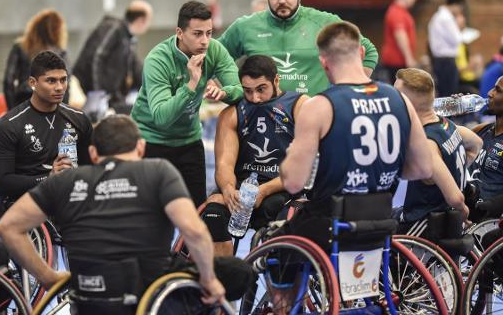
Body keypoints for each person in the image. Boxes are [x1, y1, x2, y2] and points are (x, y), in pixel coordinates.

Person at [0, 115, 253, 313]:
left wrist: (48, 278)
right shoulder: (158, 171)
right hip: (152, 294)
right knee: (237, 272)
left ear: (94, 154)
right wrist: (208, 279)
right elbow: (195, 232)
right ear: (141, 148)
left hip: (88, 297)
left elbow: (8, 227)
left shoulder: (64, 181)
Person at [279, 21, 433, 248]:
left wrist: (289, 160)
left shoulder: (318, 106)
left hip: (331, 224)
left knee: (276, 251)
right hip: (380, 220)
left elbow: (293, 183)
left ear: (323, 62)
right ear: (361, 53)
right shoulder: (400, 99)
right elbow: (423, 169)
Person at [131, 1, 243, 206]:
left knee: (197, 212)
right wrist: (191, 84)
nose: (205, 41)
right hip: (151, 139)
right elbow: (162, 118)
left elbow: (240, 88)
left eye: (209, 33)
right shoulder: (158, 59)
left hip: (189, 140)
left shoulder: (214, 50)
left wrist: (224, 92)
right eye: (197, 34)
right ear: (180, 33)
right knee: (151, 216)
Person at [204, 55, 308, 256]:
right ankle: (228, 276)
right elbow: (224, 164)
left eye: (261, 89)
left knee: (281, 213)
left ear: (276, 81)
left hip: (283, 190)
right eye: (248, 91)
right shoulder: (232, 114)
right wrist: (227, 189)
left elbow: (304, 167)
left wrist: (264, 190)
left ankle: (277, 279)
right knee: (213, 210)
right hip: (243, 192)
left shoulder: (300, 106)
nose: (255, 98)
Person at [218, 0, 378, 95]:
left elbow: (369, 52)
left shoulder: (324, 22)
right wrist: (234, 90)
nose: (281, 0)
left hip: (315, 117)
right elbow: (214, 58)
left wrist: (347, 92)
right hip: (265, 121)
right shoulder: (245, 26)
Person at [0, 51, 93, 207]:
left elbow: (89, 169)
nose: (59, 87)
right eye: (51, 81)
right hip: (27, 203)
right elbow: (1, 183)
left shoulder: (79, 119)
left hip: (70, 201)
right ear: (33, 83)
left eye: (63, 80)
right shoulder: (9, 125)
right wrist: (49, 178)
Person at [394, 68, 482, 233]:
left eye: (396, 97)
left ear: (408, 104)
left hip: (423, 223)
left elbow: (456, 198)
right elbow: (476, 143)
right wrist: (453, 171)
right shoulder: (447, 125)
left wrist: (462, 213)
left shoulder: (427, 144)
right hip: (432, 215)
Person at [72, 0, 153, 117]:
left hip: (108, 96)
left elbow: (136, 69)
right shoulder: (113, 28)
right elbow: (96, 58)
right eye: (149, 21)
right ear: (141, 20)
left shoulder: (129, 39)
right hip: (90, 93)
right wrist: (98, 93)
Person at [3, 9, 69, 110]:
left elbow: (8, 81)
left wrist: (12, 110)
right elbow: (67, 84)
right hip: (51, 105)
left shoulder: (20, 47)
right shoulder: (60, 52)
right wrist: (63, 111)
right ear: (57, 31)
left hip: (23, 101)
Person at [428, 0, 467, 97]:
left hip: (440, 60)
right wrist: (459, 28)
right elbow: (456, 39)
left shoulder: (437, 16)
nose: (460, 11)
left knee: (444, 93)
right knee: (450, 95)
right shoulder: (446, 18)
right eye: (460, 7)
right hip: (446, 61)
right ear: (455, 4)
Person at [471, 76, 503, 200]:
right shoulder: (481, 129)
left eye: (498, 90)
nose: (490, 93)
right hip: (465, 207)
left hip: (489, 217)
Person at [380, 0, 418, 81]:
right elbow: (400, 35)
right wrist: (409, 58)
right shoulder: (396, 12)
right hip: (397, 61)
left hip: (399, 61)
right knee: (400, 91)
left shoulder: (401, 12)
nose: (414, 0)